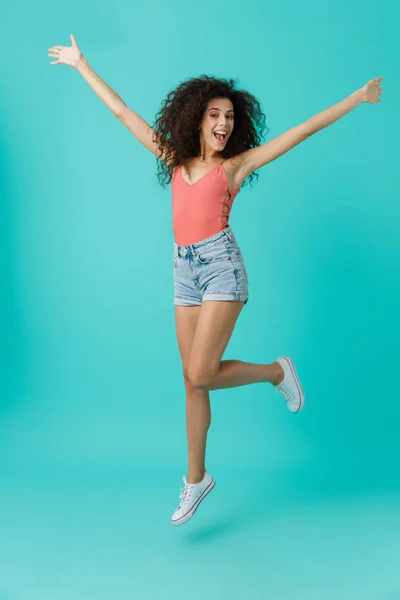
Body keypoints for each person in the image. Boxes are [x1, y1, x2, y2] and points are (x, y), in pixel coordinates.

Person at [48, 35, 383, 527]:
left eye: (229, 116)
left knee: (203, 372)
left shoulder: (234, 167)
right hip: (183, 269)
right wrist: (81, 64)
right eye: (214, 116)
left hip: (221, 265)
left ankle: (276, 372)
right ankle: (196, 479)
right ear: (196, 121)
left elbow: (303, 130)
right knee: (191, 379)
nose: (223, 124)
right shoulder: (175, 160)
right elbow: (122, 112)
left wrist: (356, 98)